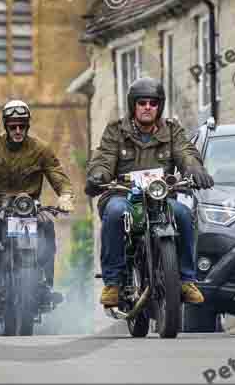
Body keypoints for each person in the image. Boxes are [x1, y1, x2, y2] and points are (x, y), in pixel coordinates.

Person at [86, 77, 214, 309]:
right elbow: (104, 159)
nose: (147, 107)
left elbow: (186, 152)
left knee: (184, 214)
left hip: (159, 197)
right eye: (142, 102)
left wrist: (194, 168)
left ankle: (186, 280)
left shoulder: (172, 130)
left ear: (159, 106)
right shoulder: (116, 130)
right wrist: (98, 175)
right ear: (133, 105)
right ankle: (113, 283)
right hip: (122, 195)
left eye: (153, 103)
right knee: (115, 213)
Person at [0, 100, 75, 305]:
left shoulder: (41, 149)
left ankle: (44, 283)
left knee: (47, 226)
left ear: (27, 125)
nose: (17, 130)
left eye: (22, 125)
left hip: (27, 207)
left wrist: (65, 195)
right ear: (5, 125)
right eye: (13, 125)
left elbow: (56, 173)